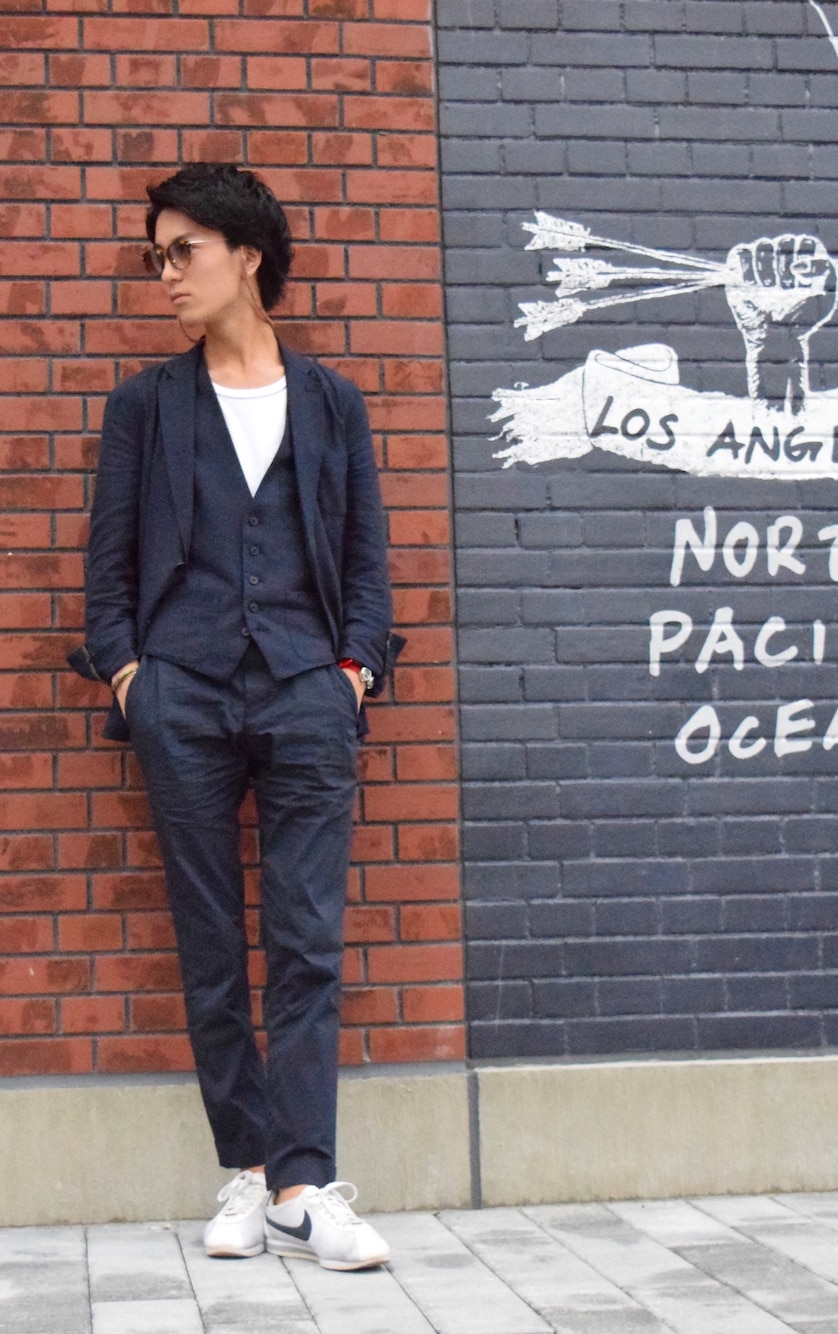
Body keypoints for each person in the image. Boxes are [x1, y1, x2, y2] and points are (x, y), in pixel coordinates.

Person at [69, 163, 403, 1270]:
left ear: (248, 256)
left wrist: (352, 671)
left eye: (185, 252)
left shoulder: (332, 402)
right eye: (156, 256)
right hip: (184, 692)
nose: (166, 274)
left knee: (306, 941)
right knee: (211, 944)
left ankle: (304, 1184)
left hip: (309, 690)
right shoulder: (145, 406)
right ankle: (251, 1172)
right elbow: (107, 567)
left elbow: (366, 560)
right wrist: (132, 676)